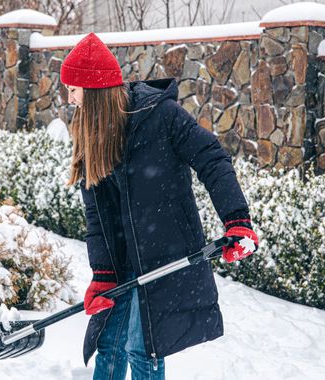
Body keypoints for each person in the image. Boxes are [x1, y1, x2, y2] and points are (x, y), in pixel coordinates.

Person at [60, 32, 259, 380]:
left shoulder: (161, 116)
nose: (69, 98)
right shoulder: (90, 132)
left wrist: (237, 220)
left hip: (163, 254)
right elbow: (99, 217)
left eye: (73, 90)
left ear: (92, 92)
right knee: (108, 344)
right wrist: (103, 274)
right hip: (123, 261)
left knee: (143, 347)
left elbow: (212, 158)